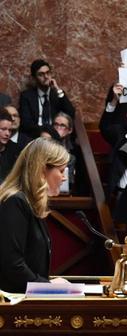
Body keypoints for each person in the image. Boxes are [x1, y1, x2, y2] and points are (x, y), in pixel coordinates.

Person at [0, 138, 69, 291]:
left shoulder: (30, 203)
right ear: (42, 170)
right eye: (61, 171)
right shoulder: (15, 201)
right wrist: (48, 287)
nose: (64, 177)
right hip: (13, 302)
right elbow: (12, 264)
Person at [19, 59, 75, 139]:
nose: (46, 77)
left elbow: (70, 113)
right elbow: (26, 124)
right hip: (35, 137)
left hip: (56, 137)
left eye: (48, 73)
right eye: (41, 74)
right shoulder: (27, 96)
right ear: (34, 78)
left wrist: (57, 89)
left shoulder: (57, 94)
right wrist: (45, 131)